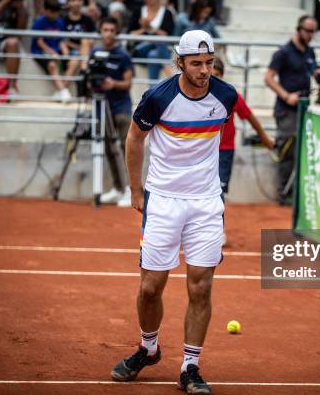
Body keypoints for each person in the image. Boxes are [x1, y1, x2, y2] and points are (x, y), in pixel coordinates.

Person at [110, 30, 237, 395]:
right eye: (196, 63)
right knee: (150, 287)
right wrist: (136, 190)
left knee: (201, 284)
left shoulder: (225, 97)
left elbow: (216, 140)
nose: (204, 70)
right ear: (179, 62)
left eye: (209, 63)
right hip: (163, 200)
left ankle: (190, 366)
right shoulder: (158, 98)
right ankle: (148, 348)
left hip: (206, 203)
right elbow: (134, 138)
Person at [213, 56, 273, 245]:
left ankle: (217, 231)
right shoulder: (196, 96)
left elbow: (249, 116)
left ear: (221, 76)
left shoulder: (232, 96)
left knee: (218, 191)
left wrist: (263, 137)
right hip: (200, 151)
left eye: (216, 75)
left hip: (224, 151)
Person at [264, 14, 317, 204]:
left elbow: (315, 74)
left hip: (305, 108)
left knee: (304, 151)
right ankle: (284, 193)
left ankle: (298, 194)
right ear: (299, 29)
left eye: (313, 31)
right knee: (288, 151)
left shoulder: (310, 52)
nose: (311, 35)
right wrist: (286, 95)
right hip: (286, 110)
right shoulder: (284, 52)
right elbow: (268, 78)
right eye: (308, 31)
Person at [93, 17, 134, 207]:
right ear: (100, 31)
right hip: (102, 106)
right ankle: (118, 188)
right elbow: (91, 76)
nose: (108, 33)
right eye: (105, 29)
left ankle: (131, 190)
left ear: (116, 33)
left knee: (127, 149)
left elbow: (128, 83)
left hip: (121, 107)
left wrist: (113, 83)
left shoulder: (123, 55)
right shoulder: (95, 52)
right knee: (108, 149)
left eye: (111, 30)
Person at [128, 0, 174, 82]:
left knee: (153, 55)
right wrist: (143, 29)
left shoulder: (166, 12)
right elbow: (130, 34)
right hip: (140, 49)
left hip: (158, 50)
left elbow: (168, 36)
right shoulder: (138, 11)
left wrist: (151, 28)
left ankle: (152, 91)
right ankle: (170, 72)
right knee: (159, 40)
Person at [31, 0, 71, 102]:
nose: (54, 15)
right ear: (45, 10)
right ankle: (63, 90)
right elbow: (39, 42)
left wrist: (65, 52)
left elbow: (61, 40)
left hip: (55, 52)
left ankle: (59, 91)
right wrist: (52, 52)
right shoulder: (39, 22)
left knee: (72, 62)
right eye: (52, 11)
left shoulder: (60, 22)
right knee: (52, 65)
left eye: (56, 12)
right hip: (40, 52)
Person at [62, 0, 95, 82]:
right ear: (68, 3)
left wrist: (84, 48)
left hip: (86, 51)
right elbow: (64, 41)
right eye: (73, 0)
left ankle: (84, 69)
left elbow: (92, 40)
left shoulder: (87, 19)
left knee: (85, 41)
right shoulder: (64, 20)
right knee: (75, 61)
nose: (77, 3)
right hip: (70, 52)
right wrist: (78, 48)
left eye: (79, 0)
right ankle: (84, 70)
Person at [33, 0, 100, 22]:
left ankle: (86, 44)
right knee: (40, 19)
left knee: (93, 13)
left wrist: (92, 3)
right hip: (51, 7)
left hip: (74, 6)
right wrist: (39, 10)